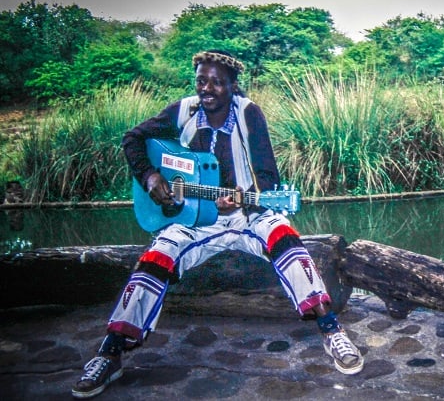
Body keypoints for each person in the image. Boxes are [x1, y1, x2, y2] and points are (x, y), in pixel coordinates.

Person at [71, 50, 364, 399]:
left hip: (247, 214)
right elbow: (133, 139)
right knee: (156, 256)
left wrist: (245, 196)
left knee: (286, 238)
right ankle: (111, 351)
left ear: (232, 86)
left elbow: (268, 177)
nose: (207, 88)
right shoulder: (183, 110)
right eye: (201, 80)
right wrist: (150, 177)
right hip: (195, 220)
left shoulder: (249, 113)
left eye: (216, 82)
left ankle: (332, 331)